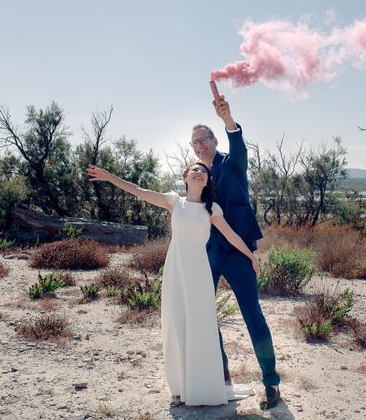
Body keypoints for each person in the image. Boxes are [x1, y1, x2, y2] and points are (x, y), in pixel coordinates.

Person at [86, 162, 255, 407]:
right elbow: (138, 190)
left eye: (204, 172)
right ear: (186, 177)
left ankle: (202, 386)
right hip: (176, 269)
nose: (200, 173)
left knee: (201, 324)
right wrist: (109, 177)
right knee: (176, 323)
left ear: (207, 181)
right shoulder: (174, 201)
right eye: (195, 170)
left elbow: (231, 235)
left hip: (199, 271)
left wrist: (251, 256)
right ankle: (179, 388)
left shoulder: (212, 209)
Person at [190, 94, 282, 409]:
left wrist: (227, 119)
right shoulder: (197, 175)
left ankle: (271, 384)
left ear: (214, 139)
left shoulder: (233, 163)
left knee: (252, 315)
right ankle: (222, 377)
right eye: (194, 143)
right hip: (210, 250)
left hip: (239, 251)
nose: (200, 145)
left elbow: (238, 142)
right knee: (205, 313)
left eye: (203, 139)